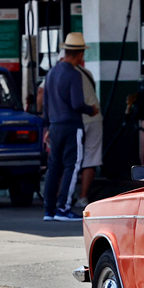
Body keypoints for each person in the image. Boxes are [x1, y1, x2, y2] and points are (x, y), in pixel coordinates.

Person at [43, 32, 100, 222]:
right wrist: (90, 109)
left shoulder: (51, 73)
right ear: (79, 54)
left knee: (54, 167)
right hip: (71, 126)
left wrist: (47, 127)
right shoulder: (73, 75)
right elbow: (77, 104)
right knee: (72, 166)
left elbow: (45, 103)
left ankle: (49, 209)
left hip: (55, 125)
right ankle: (63, 208)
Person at [76, 51, 103, 207]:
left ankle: (62, 197)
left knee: (68, 159)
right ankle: (83, 197)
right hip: (94, 118)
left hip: (76, 120)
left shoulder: (58, 73)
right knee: (90, 159)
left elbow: (41, 92)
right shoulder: (87, 73)